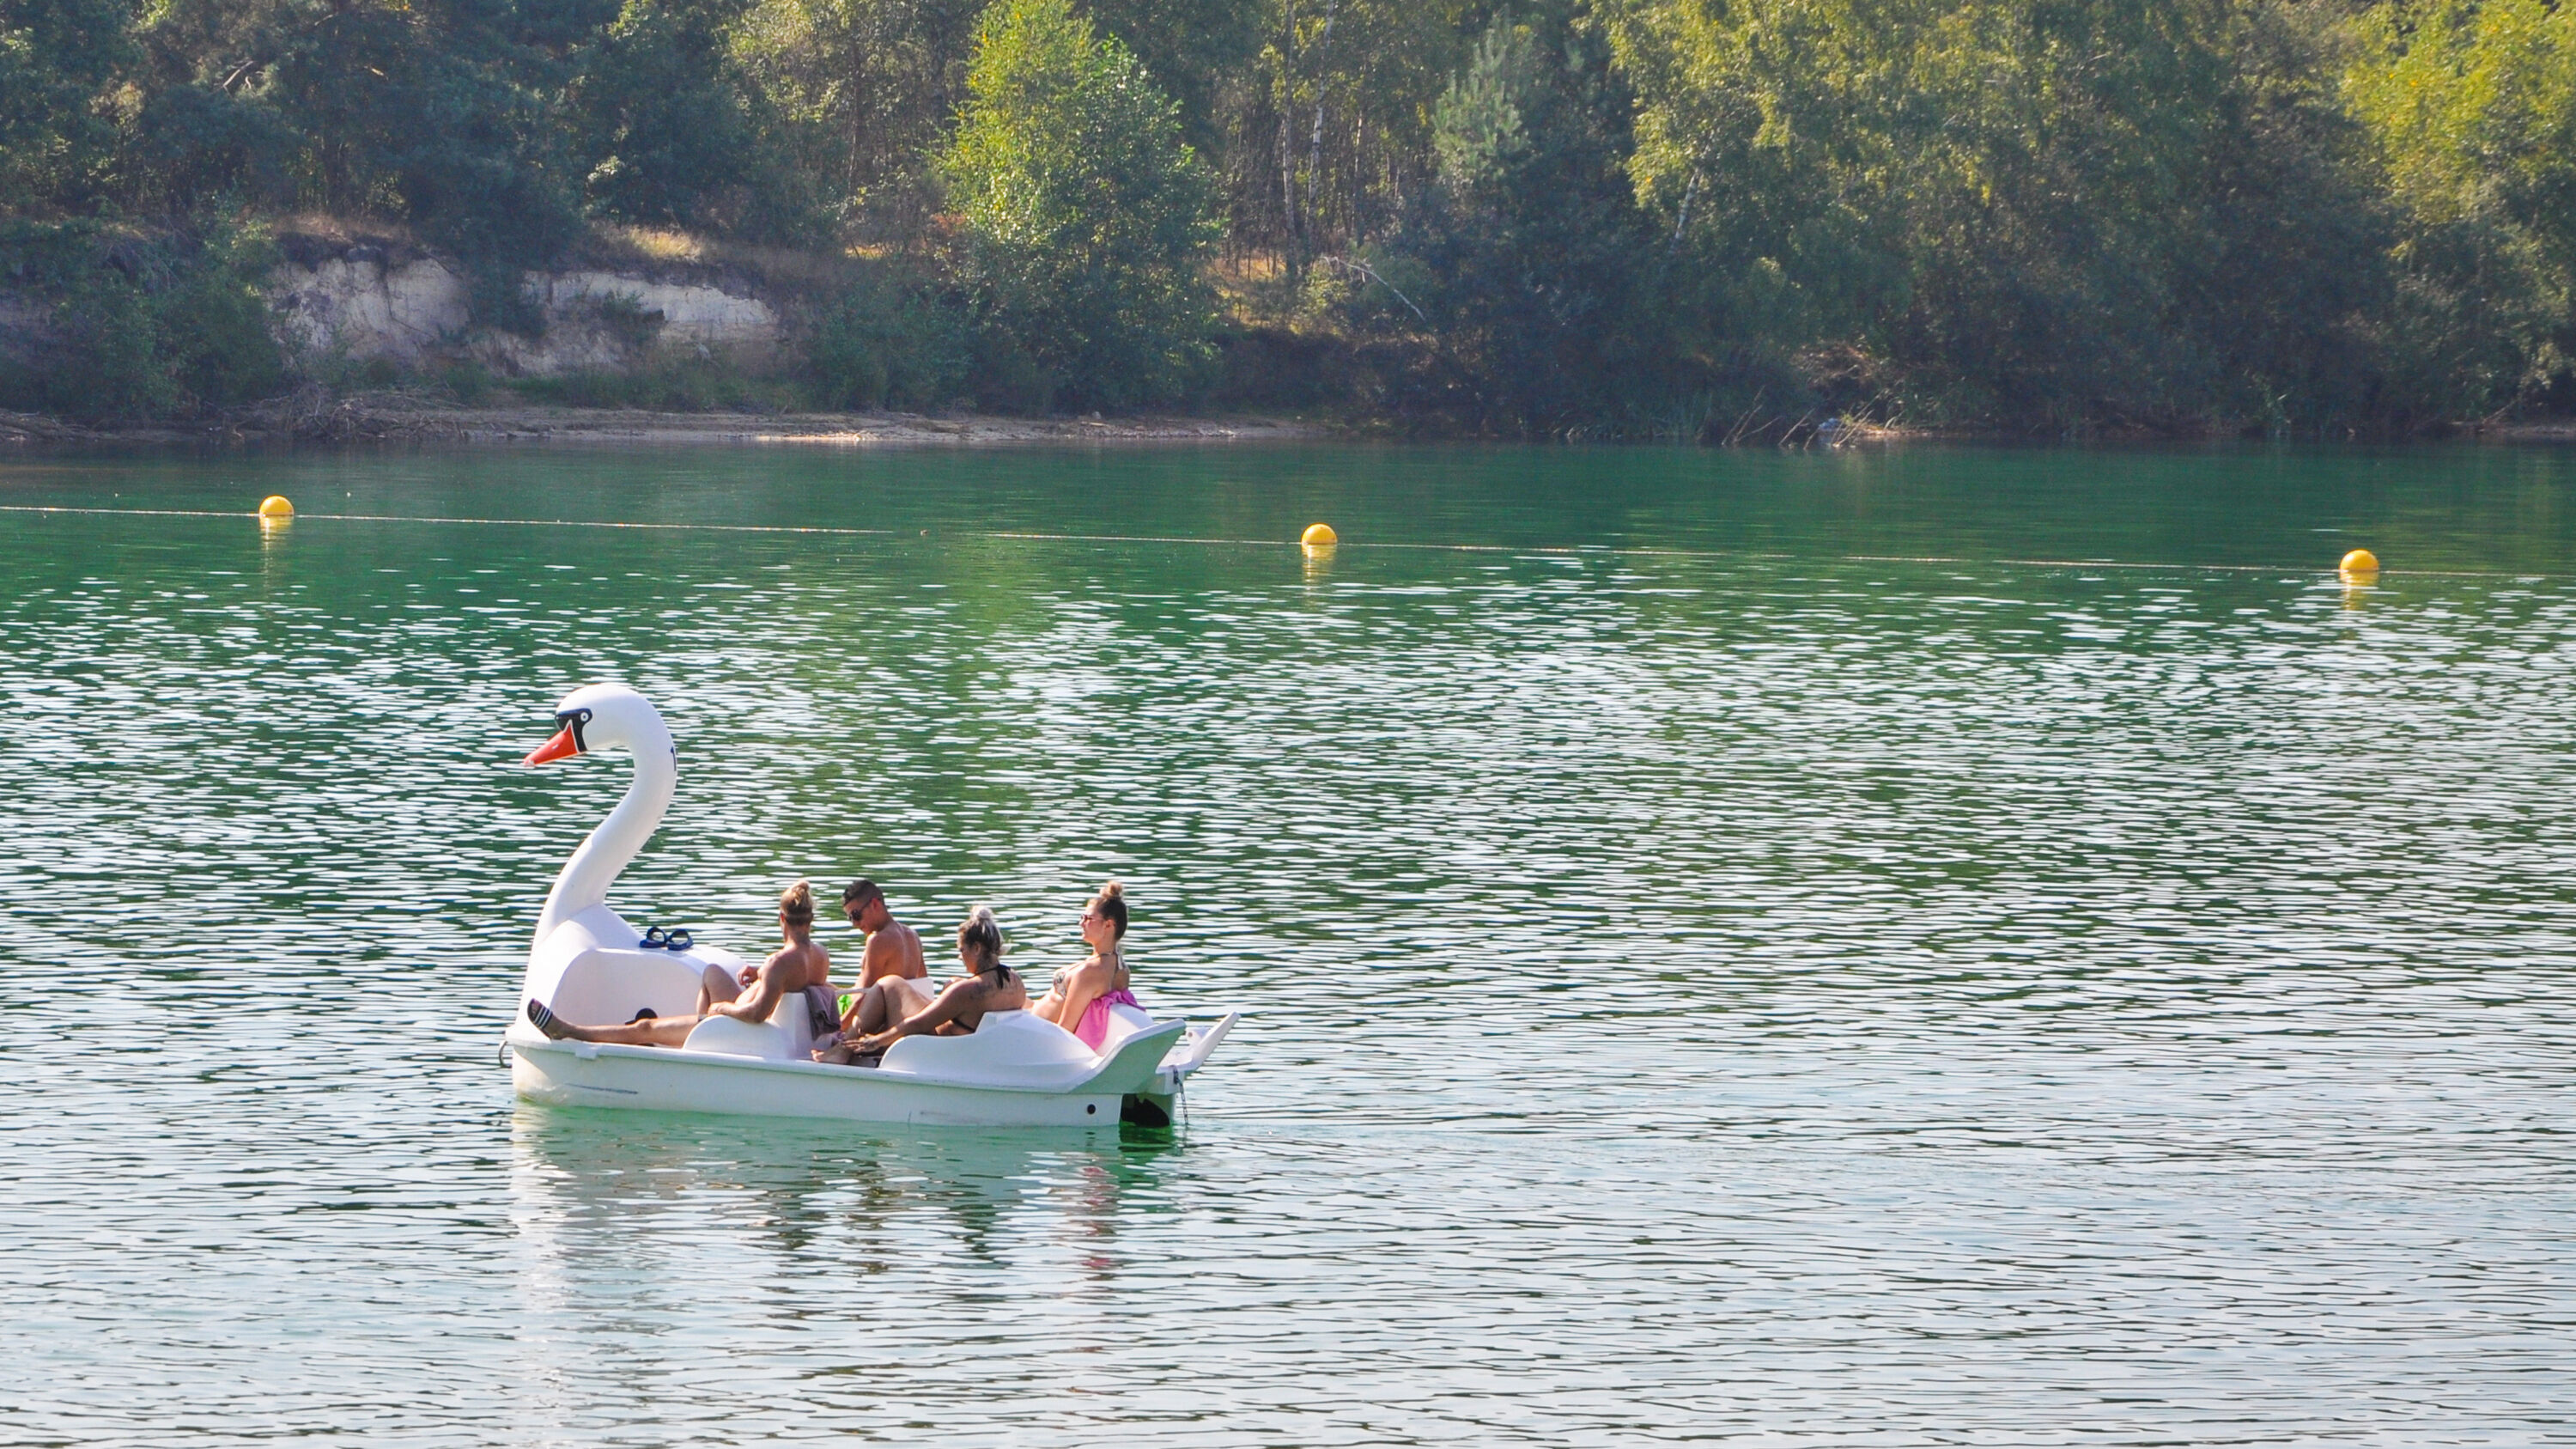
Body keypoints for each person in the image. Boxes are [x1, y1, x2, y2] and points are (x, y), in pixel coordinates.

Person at [527, 881, 833, 1047]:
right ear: (810, 920)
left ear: (781, 919)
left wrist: (721, 1009)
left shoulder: (780, 962)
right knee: (712, 972)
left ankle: (569, 1031)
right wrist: (762, 972)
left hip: (737, 1025)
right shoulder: (819, 955)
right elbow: (793, 979)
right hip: (742, 1015)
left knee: (645, 1027)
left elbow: (756, 1014)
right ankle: (695, 1032)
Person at [829, 906, 1026, 1062]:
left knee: (888, 984)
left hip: (936, 1047)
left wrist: (876, 1041)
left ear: (976, 948)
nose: (960, 956)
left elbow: (918, 1023)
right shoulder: (1015, 981)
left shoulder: (967, 990)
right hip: (972, 1047)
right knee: (948, 983)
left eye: (962, 949)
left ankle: (841, 1051)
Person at [1030, 881, 1140, 1051]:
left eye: (1088, 919)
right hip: (1033, 1015)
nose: (1081, 923)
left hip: (1035, 1031)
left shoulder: (1090, 972)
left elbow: (1065, 1029)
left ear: (1108, 925)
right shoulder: (1121, 969)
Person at [827, 878, 932, 1044]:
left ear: (875, 904)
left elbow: (866, 995)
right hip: (900, 1018)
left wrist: (839, 1027)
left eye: (856, 915)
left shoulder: (878, 940)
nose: (855, 924)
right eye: (850, 918)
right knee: (824, 986)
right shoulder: (912, 935)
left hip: (875, 1023)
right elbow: (923, 986)